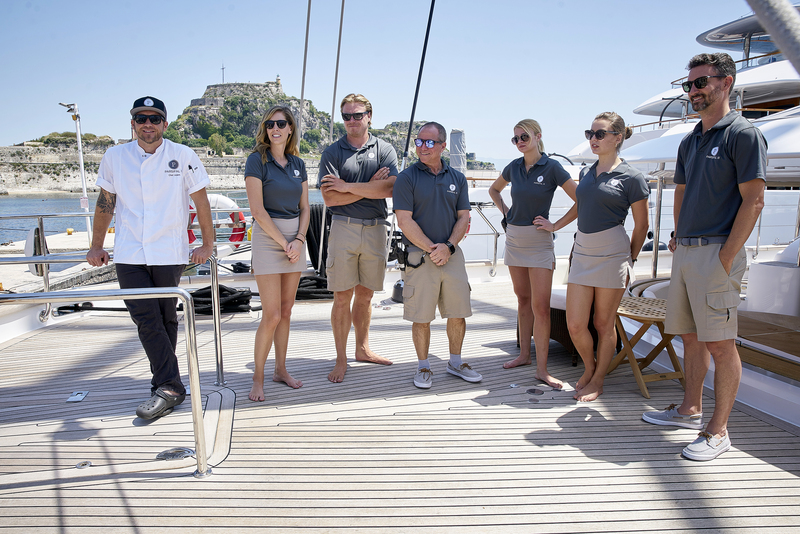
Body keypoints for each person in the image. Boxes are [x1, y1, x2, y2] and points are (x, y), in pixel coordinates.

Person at [643, 53, 766, 461]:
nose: (693, 91)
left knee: (720, 345)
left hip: (717, 252)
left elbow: (754, 201)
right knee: (690, 337)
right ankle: (689, 409)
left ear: (725, 83)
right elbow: (680, 192)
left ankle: (719, 431)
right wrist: (678, 236)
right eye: (689, 85)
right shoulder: (690, 139)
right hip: (687, 251)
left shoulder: (743, 134)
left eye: (701, 83)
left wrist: (727, 257)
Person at [87, 96, 214, 420]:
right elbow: (106, 203)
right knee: (146, 317)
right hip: (130, 252)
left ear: (164, 124)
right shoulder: (115, 157)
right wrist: (96, 245)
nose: (147, 124)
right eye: (141, 118)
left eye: (154, 119)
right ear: (133, 123)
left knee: (166, 317)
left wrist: (207, 244)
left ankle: (163, 382)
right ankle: (171, 385)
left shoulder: (182, 155)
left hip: (168, 250)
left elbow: (201, 203)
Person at [566, 112, 649, 402]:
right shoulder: (586, 173)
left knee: (603, 323)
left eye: (599, 134)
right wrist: (557, 229)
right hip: (582, 251)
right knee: (575, 324)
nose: (593, 139)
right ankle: (590, 369)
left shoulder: (632, 177)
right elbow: (581, 207)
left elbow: (642, 225)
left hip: (613, 254)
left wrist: (631, 260)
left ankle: (598, 379)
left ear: (618, 137)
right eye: (590, 133)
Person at [489, 119, 578, 389]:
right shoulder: (513, 167)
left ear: (538, 136)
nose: (519, 142)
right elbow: (494, 190)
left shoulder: (551, 167)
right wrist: (507, 212)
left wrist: (555, 225)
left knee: (541, 307)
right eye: (515, 139)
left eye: (524, 136)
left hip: (539, 242)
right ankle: (524, 356)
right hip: (514, 239)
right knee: (523, 300)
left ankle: (542, 369)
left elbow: (582, 199)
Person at [393, 122, 482, 389]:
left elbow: (463, 217)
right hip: (420, 257)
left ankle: (456, 362)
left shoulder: (457, 178)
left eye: (430, 142)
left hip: (451, 255)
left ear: (443, 146)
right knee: (421, 316)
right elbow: (404, 221)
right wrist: (434, 248)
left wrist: (449, 247)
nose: (422, 147)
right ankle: (423, 367)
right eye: (419, 142)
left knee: (458, 312)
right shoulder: (406, 178)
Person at [318, 93, 397, 383]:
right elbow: (329, 198)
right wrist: (369, 186)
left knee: (365, 296)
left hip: (376, 228)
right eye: (347, 116)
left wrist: (346, 186)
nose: (352, 121)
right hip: (344, 227)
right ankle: (341, 359)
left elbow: (390, 189)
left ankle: (362, 349)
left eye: (357, 115)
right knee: (342, 297)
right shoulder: (332, 153)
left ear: (369, 116)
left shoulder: (386, 149)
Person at [245, 105, 310, 401]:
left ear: (290, 128)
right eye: (270, 124)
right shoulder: (256, 161)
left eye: (281, 123)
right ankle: (257, 378)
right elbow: (257, 210)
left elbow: (305, 208)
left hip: (295, 240)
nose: (275, 128)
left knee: (286, 311)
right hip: (269, 239)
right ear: (265, 128)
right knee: (270, 315)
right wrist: (284, 243)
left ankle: (280, 370)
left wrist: (297, 239)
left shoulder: (298, 164)